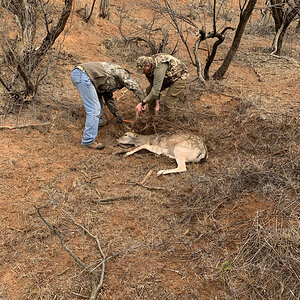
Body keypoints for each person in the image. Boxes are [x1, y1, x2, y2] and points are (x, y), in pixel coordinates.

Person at [71, 62, 145, 150]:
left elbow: (108, 99)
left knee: (98, 99)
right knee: (94, 109)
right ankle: (88, 140)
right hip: (82, 75)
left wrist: (118, 116)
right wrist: (143, 101)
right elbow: (134, 85)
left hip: (83, 76)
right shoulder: (121, 72)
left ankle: (98, 122)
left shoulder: (108, 80)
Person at [135, 53, 189, 121]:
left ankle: (169, 123)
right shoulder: (148, 70)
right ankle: (152, 117)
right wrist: (157, 105)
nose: (142, 73)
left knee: (168, 101)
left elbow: (156, 90)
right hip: (167, 77)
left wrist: (142, 103)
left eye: (143, 70)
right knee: (149, 90)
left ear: (148, 65)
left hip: (179, 77)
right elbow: (154, 87)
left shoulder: (159, 66)